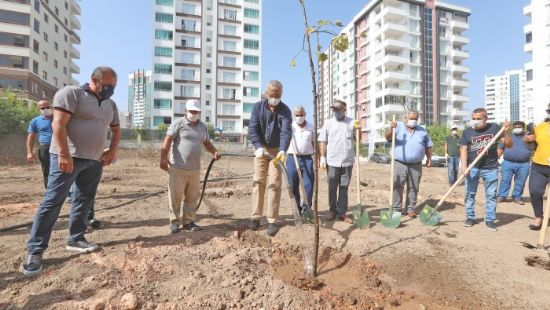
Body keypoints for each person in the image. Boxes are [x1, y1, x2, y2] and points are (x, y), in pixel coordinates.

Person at [22, 67, 121, 277]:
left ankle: (76, 238)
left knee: (84, 199)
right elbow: (58, 124)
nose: (111, 90)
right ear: (94, 80)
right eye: (108, 85)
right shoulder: (72, 94)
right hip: (67, 158)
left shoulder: (110, 104)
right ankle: (35, 251)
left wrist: (112, 150)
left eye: (114, 86)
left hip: (94, 160)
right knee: (53, 201)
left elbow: (116, 129)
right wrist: (64, 155)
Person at [160, 99, 220, 234]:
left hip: (195, 169)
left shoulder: (202, 127)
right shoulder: (178, 124)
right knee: (175, 197)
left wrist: (214, 152)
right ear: (185, 111)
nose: (194, 113)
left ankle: (188, 222)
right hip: (177, 168)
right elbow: (168, 140)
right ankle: (174, 222)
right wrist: (163, 158)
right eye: (191, 111)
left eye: (196, 111)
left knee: (192, 197)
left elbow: (207, 143)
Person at [248, 80, 292, 237]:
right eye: (272, 95)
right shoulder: (257, 107)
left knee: (274, 184)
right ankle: (255, 217)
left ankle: (272, 220)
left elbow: (286, 131)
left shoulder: (285, 110)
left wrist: (283, 150)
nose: (275, 98)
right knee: (258, 181)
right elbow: (253, 128)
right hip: (261, 149)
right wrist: (258, 146)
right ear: (266, 94)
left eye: (278, 95)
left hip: (276, 151)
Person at [460, 108, 511, 231]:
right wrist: (464, 168)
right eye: (473, 118)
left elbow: (509, 144)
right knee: (469, 194)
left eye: (479, 118)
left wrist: (505, 132)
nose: (475, 121)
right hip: (473, 167)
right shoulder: (467, 132)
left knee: (491, 195)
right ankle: (470, 217)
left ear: (486, 118)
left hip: (491, 167)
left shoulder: (494, 128)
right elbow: (463, 149)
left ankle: (490, 219)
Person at [386, 110, 433, 218]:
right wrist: (391, 129)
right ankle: (396, 209)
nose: (413, 121)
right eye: (411, 118)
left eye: (415, 119)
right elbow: (388, 138)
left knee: (413, 187)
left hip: (416, 164)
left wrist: (429, 159)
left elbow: (428, 146)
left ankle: (410, 209)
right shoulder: (398, 127)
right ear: (405, 119)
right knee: (397, 186)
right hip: (399, 163)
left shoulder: (422, 131)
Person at [319, 99, 359, 224]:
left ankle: (342, 212)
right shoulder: (328, 123)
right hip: (332, 161)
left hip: (347, 162)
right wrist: (322, 157)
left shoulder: (352, 122)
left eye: (338, 109)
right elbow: (323, 141)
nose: (335, 111)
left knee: (344, 188)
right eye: (334, 109)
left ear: (344, 110)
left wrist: (359, 129)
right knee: (332, 187)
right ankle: (332, 210)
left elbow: (358, 140)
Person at [525, 103, 550, 230]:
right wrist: (528, 139)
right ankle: (539, 217)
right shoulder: (540, 127)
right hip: (538, 166)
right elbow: (528, 140)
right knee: (535, 192)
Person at [286, 105, 314, 213]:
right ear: (294, 116)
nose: (299, 117)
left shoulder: (311, 127)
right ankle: (297, 206)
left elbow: (313, 142)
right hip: (292, 158)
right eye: (297, 115)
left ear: (305, 114)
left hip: (307, 158)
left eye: (301, 115)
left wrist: (318, 157)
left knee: (308, 183)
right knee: (293, 183)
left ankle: (307, 207)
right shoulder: (290, 127)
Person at [497, 121, 532, 205]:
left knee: (521, 181)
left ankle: (517, 197)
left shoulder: (528, 137)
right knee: (505, 180)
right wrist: (496, 158)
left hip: (524, 164)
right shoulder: (508, 136)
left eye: (519, 127)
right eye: (515, 127)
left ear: (523, 128)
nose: (517, 128)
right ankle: (502, 196)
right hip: (508, 163)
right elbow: (500, 148)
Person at [26, 100, 53, 189]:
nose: (46, 109)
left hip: (60, 147)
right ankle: (49, 191)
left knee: (64, 170)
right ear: (39, 109)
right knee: (47, 170)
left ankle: (67, 193)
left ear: (51, 107)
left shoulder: (59, 118)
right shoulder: (35, 121)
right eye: (43, 108)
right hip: (45, 148)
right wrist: (29, 152)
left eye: (47, 107)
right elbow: (31, 137)